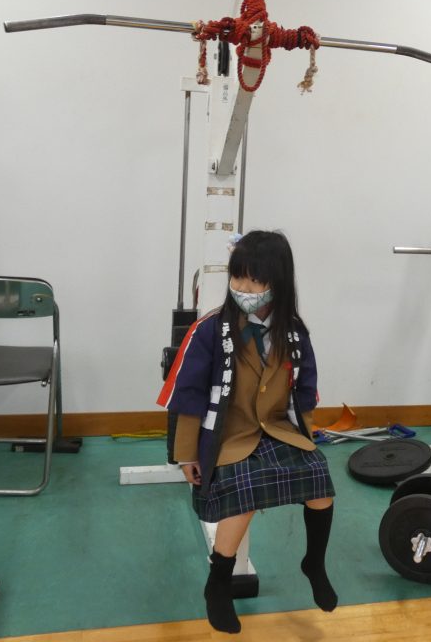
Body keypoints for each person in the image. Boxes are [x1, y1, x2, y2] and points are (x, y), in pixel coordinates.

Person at [156, 231, 336, 634]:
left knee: (320, 480)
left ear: (278, 282)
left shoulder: (294, 332)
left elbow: (305, 390)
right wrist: (186, 454)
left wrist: (308, 438)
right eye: (237, 278)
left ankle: (314, 563)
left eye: (255, 281)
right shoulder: (209, 331)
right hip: (228, 435)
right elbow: (189, 396)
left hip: (278, 430)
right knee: (244, 494)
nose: (244, 289)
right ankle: (218, 582)